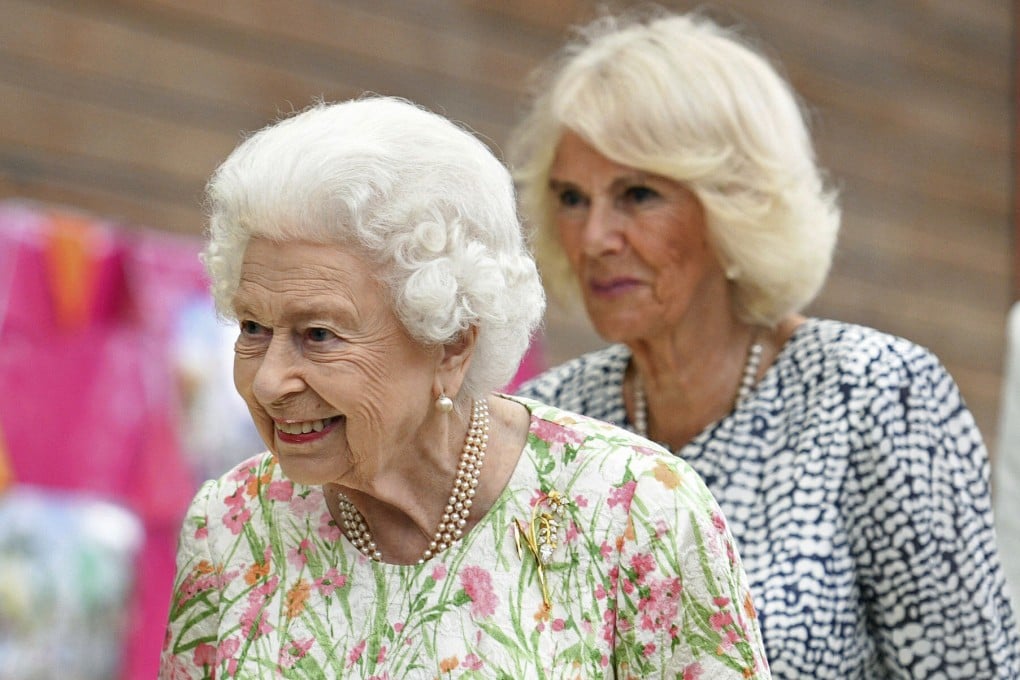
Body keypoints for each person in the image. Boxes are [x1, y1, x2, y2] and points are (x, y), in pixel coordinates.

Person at [157, 96, 771, 679]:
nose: (269, 380)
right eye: (254, 328)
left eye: (319, 334)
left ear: (451, 342)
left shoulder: (634, 509)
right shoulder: (230, 525)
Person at [509, 9, 1020, 678]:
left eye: (637, 194)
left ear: (735, 204)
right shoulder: (546, 422)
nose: (595, 236)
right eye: (572, 198)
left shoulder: (876, 394)